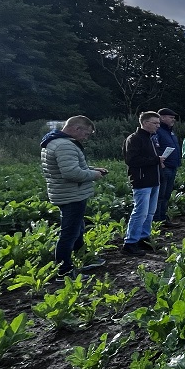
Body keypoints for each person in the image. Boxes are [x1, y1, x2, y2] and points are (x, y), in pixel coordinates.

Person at [40, 115, 107, 274]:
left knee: (78, 228)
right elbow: (71, 173)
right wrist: (93, 175)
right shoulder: (65, 145)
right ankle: (64, 270)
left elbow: (69, 166)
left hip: (66, 193)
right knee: (69, 233)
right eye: (86, 134)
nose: (86, 138)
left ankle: (82, 258)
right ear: (77, 129)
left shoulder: (55, 141)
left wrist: (92, 169)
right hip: (71, 195)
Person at [123, 111, 164, 254]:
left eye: (158, 123)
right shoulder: (134, 139)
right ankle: (130, 243)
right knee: (140, 212)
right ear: (145, 123)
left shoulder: (151, 138)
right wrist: (155, 160)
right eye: (155, 123)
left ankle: (143, 239)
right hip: (141, 181)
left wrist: (158, 161)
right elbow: (132, 160)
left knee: (150, 212)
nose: (158, 126)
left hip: (153, 180)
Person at [153, 108, 181, 226]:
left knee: (167, 194)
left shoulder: (170, 132)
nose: (173, 120)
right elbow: (155, 147)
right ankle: (157, 220)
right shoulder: (158, 131)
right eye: (171, 117)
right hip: (164, 167)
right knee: (160, 195)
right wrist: (161, 163)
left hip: (172, 166)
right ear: (162, 118)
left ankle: (163, 218)